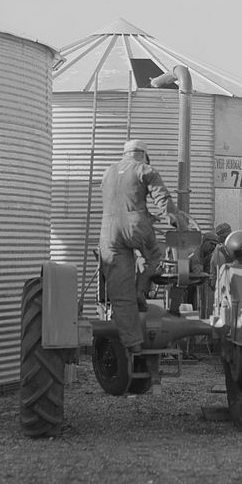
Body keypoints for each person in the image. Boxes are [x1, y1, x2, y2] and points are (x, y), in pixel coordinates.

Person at [98, 138, 186, 356]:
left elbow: (119, 202)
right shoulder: (145, 169)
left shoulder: (108, 172)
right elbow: (161, 198)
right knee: (155, 257)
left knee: (120, 291)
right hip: (136, 225)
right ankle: (141, 288)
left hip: (108, 232)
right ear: (144, 155)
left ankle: (133, 344)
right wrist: (174, 219)